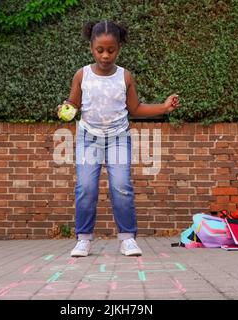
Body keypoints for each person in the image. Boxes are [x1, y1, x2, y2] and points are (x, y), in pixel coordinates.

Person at [57, 20, 180, 257]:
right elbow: (73, 103)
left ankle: (127, 238)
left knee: (121, 186)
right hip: (88, 138)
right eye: (99, 50)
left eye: (110, 50)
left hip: (118, 138)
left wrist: (164, 107)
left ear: (119, 48)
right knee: (86, 188)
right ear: (91, 48)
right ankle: (83, 239)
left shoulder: (125, 76)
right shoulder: (82, 75)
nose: (105, 55)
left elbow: (135, 108)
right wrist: (65, 108)